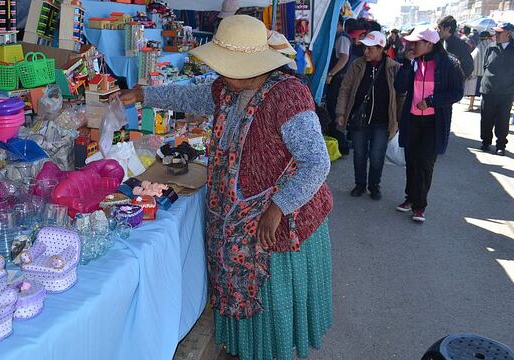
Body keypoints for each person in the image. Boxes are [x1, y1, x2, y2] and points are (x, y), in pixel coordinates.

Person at [120, 15, 334, 360]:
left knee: (268, 304)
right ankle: (242, 350)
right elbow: (193, 97)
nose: (221, 75)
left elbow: (316, 162)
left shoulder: (289, 97)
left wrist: (278, 207)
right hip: (234, 219)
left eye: (227, 67)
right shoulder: (228, 90)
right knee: (235, 293)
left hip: (276, 225)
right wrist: (145, 94)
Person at [394, 25, 464, 223]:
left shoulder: (449, 64)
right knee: (412, 161)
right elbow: (399, 87)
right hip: (413, 120)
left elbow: (457, 93)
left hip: (434, 123)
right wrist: (407, 65)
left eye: (416, 43)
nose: (412, 46)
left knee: (425, 163)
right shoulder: (412, 61)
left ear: (429, 44)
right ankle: (409, 197)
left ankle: (419, 206)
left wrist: (432, 101)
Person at [335, 31, 401, 200]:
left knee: (377, 156)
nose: (366, 52)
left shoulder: (393, 68)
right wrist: (341, 113)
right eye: (365, 48)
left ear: (380, 48)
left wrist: (398, 119)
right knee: (359, 153)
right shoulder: (357, 65)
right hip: (359, 119)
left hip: (382, 121)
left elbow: (401, 96)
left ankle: (374, 185)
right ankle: (360, 184)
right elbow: (345, 89)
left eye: (370, 49)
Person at [479, 22, 514, 156]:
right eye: (496, 32)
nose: (496, 35)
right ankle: (486, 142)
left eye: (499, 33)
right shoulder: (491, 47)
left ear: (508, 34)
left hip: (506, 92)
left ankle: (500, 145)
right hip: (488, 90)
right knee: (486, 118)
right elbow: (485, 66)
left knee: (503, 120)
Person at [325, 15, 353, 155]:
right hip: (338, 78)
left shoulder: (342, 37)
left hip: (339, 79)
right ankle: (339, 143)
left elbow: (344, 57)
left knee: (334, 109)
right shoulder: (339, 37)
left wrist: (331, 74)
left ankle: (341, 144)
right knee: (332, 108)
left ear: (339, 24)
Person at [437, 16, 474, 80]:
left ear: (448, 29)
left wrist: (455, 79)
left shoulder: (460, 45)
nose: (437, 31)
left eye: (439, 28)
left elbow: (469, 67)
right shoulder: (439, 43)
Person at [467, 31, 492, 112]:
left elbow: (473, 57)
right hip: (487, 72)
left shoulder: (480, 46)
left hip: (477, 71)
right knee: (484, 91)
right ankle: (482, 106)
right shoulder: (491, 45)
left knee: (473, 90)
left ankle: (471, 106)